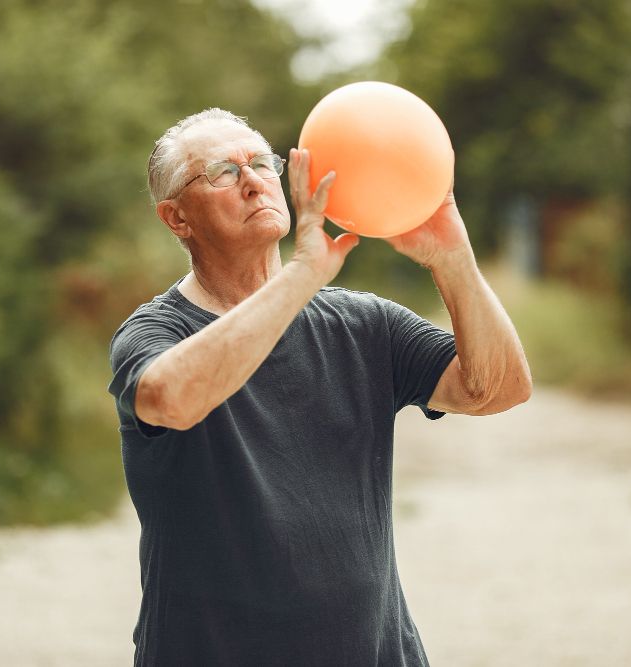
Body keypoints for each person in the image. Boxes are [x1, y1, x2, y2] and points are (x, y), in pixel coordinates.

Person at [107, 108, 532, 666]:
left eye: (261, 162)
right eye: (222, 172)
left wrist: (451, 257)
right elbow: (171, 399)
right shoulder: (155, 332)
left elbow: (498, 388)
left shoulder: (363, 324)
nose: (254, 180)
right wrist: (303, 275)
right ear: (177, 218)